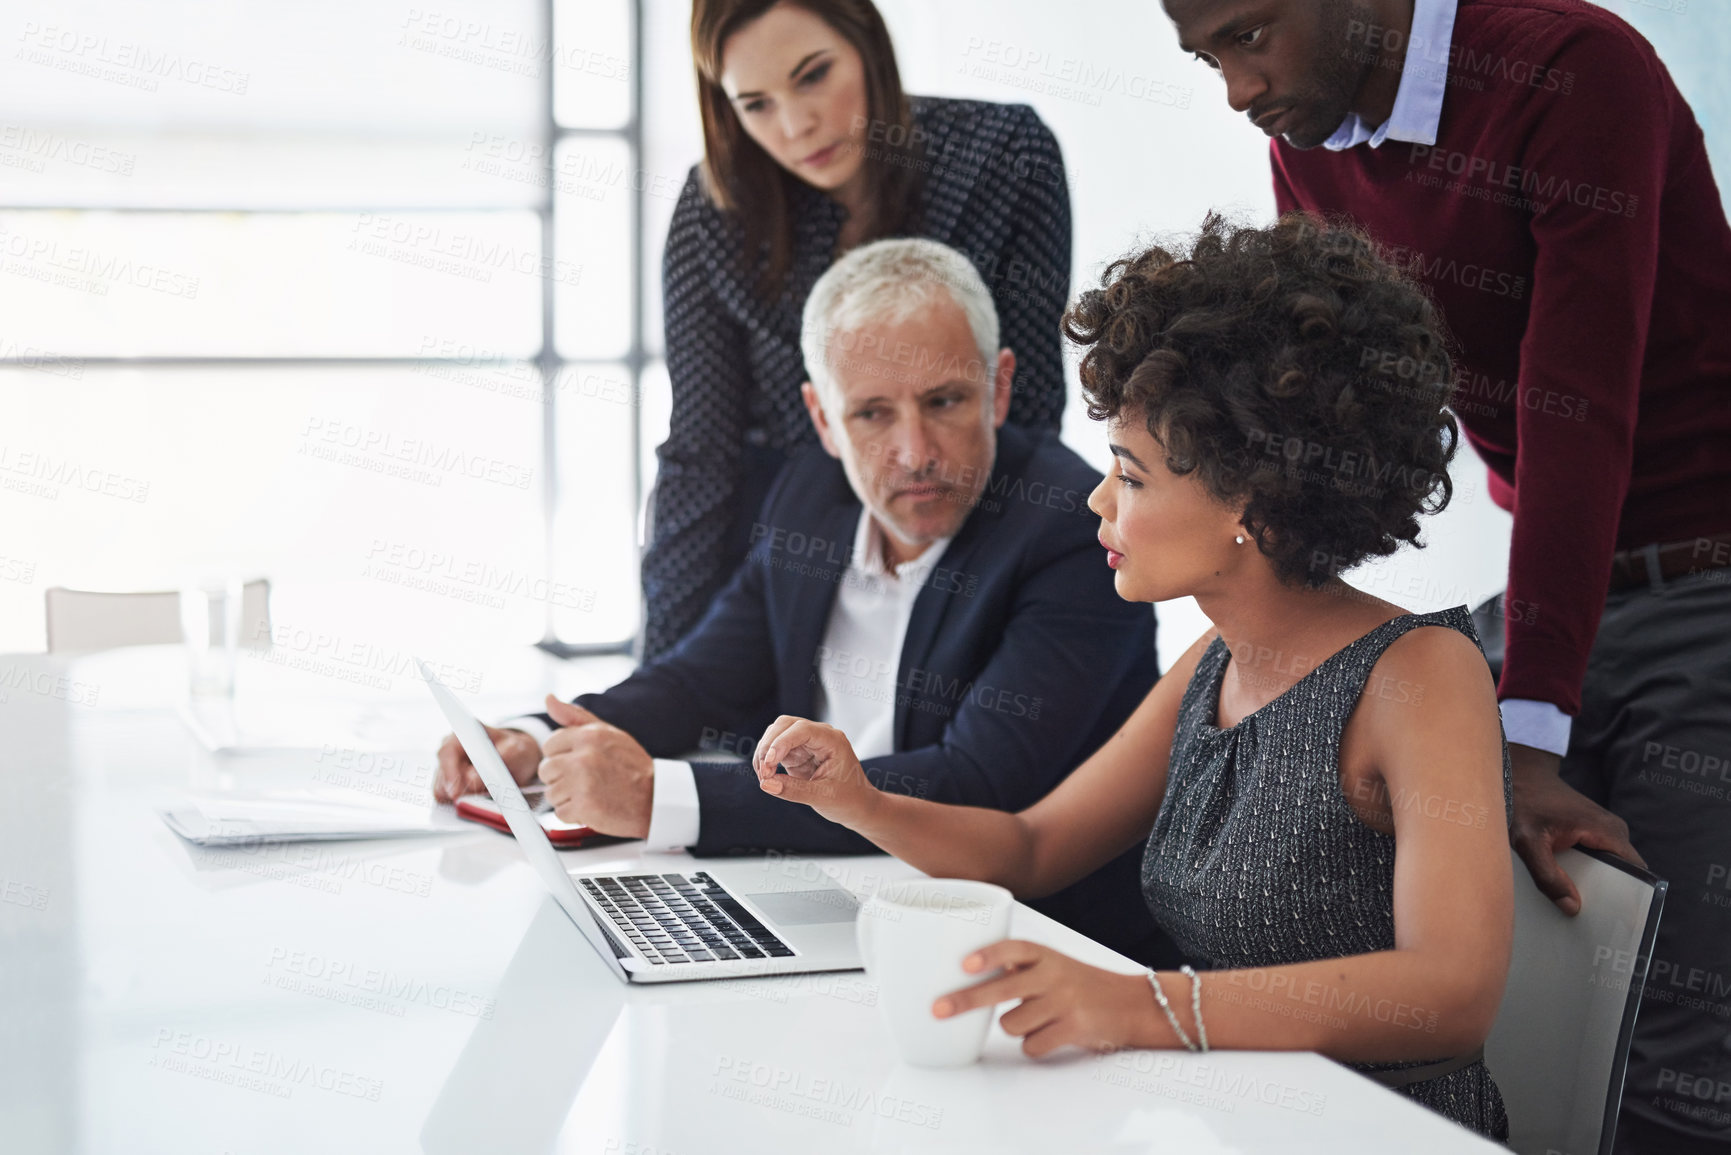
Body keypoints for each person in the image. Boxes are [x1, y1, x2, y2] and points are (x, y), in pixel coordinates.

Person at [746, 216, 1516, 1139]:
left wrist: (1142, 1004)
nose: (1097, 499)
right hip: (1214, 1116)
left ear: (1253, 497)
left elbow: (1453, 990)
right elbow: (1031, 847)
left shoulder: (1420, 675)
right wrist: (857, 799)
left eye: (1131, 474)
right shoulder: (1215, 660)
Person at [1161, 2, 1731, 1147]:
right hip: (1556, 587)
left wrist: (1528, 740)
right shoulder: (1309, 139)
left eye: (1250, 34)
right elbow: (1326, 423)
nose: (1236, 87)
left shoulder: (1574, 72)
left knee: (1681, 1061)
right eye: (1206, 56)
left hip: (1701, 569)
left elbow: (1577, 419)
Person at [436, 238, 1170, 964]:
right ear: (822, 418)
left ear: (1000, 387)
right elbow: (700, 679)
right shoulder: (811, 495)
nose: (914, 452)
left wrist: (659, 795)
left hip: (1028, 943)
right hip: (827, 897)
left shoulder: (1071, 530)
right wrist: (531, 741)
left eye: (944, 400)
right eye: (871, 415)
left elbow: (975, 785)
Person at [645, 0, 1074, 659]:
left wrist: (989, 609)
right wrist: (660, 673)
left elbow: (1028, 412)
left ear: (867, 45)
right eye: (755, 104)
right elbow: (701, 452)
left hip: (956, 522)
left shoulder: (1003, 156)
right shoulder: (717, 207)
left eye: (813, 75)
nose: (795, 125)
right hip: (773, 553)